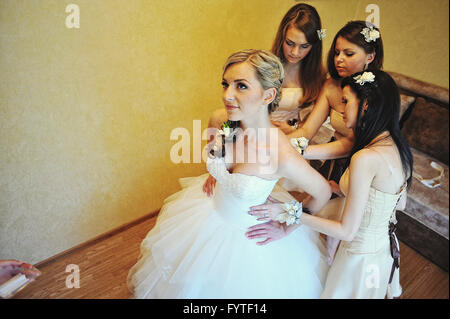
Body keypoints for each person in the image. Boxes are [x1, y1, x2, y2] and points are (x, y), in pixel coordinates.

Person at [127, 49, 331, 298]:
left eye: (241, 86)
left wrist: (288, 224)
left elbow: (322, 191)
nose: (227, 95)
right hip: (207, 216)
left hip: (250, 245)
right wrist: (219, 174)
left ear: (268, 95)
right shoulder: (227, 123)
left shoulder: (280, 153)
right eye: (226, 84)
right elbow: (218, 155)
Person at [247, 70, 413, 299]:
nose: (341, 109)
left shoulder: (365, 158)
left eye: (346, 101)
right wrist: (342, 189)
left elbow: (346, 231)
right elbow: (400, 203)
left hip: (357, 255)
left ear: (366, 105)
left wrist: (289, 212)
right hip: (381, 251)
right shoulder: (399, 148)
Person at [204, 3, 326, 195]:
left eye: (304, 46)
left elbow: (310, 126)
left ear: (314, 45)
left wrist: (292, 128)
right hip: (256, 122)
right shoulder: (265, 67)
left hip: (287, 134)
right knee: (218, 118)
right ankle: (218, 169)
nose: (295, 52)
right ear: (281, 38)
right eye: (290, 43)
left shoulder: (318, 76)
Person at [288, 20, 384, 183]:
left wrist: (303, 151)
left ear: (370, 56)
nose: (339, 59)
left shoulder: (378, 93)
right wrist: (278, 142)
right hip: (335, 159)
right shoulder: (331, 86)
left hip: (364, 166)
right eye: (337, 52)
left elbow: (352, 143)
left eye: (348, 54)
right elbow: (307, 131)